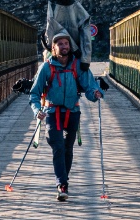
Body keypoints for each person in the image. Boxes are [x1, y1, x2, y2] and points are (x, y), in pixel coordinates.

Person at [29, 30, 103, 201]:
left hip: (73, 111)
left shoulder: (78, 65)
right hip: (52, 112)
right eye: (60, 44)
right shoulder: (46, 67)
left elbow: (90, 86)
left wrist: (95, 94)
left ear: (70, 46)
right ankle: (62, 184)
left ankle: (64, 181)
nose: (64, 46)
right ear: (53, 48)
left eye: (66, 43)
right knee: (58, 146)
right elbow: (34, 94)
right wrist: (36, 110)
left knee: (67, 149)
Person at [42, 0, 93, 71]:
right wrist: (85, 59)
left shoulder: (53, 6)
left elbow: (53, 28)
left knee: (50, 76)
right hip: (76, 53)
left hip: (56, 50)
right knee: (81, 78)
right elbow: (86, 35)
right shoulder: (78, 8)